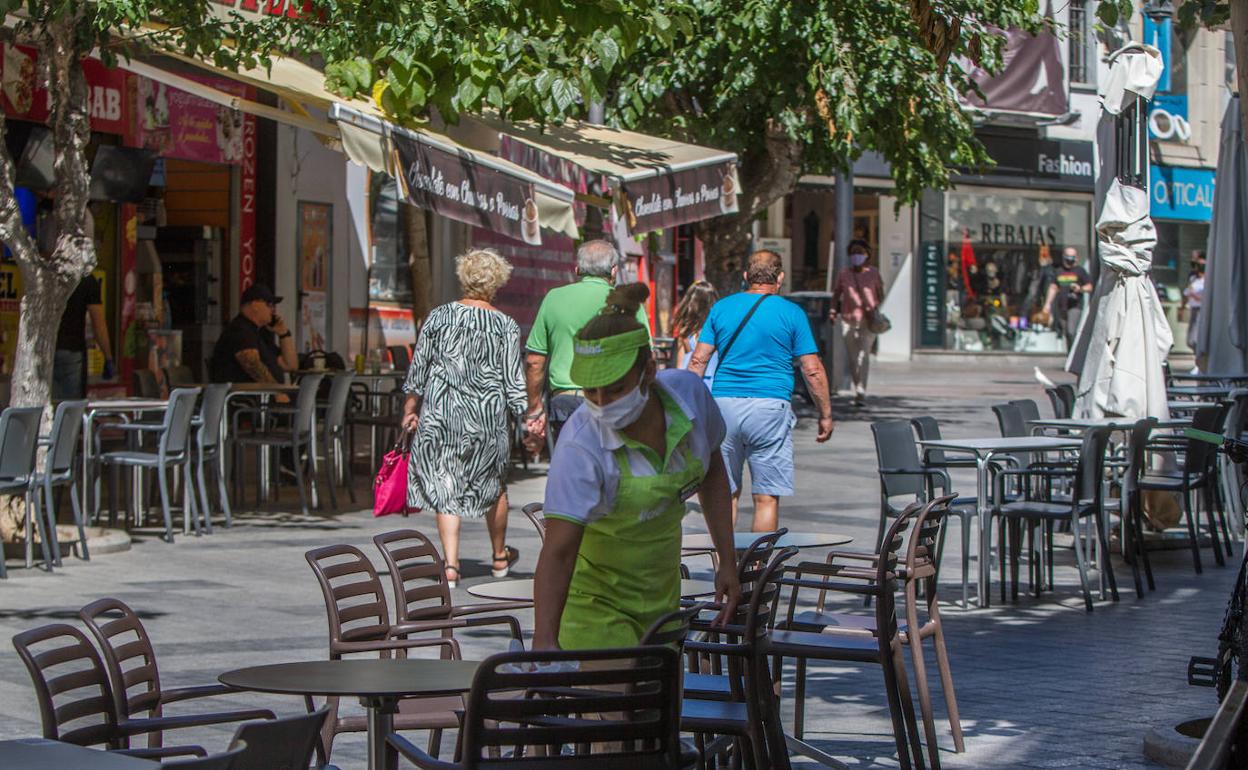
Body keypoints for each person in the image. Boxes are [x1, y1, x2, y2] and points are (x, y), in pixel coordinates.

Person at [532, 283, 740, 650]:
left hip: (664, 605)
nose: (600, 402)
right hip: (596, 610)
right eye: (590, 391)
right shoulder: (581, 444)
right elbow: (558, 550)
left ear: (649, 370)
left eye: (613, 389)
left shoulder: (690, 397)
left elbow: (713, 472)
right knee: (615, 706)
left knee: (657, 708)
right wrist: (544, 638)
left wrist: (727, 558)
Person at [400, 249, 526, 587]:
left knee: (445, 485)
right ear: (497, 282)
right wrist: (528, 420)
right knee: (495, 486)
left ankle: (451, 566)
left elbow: (419, 369)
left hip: (442, 416)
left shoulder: (438, 317)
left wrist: (410, 409)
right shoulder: (505, 325)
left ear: (463, 277)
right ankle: (500, 558)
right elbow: (514, 381)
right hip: (487, 421)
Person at [688, 250, 834, 532]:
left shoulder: (722, 308)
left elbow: (698, 359)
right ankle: (757, 571)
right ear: (780, 278)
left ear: (745, 277)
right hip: (770, 407)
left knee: (725, 493)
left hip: (724, 406)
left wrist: (691, 410)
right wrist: (825, 414)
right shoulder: (792, 313)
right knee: (765, 497)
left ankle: (725, 567)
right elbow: (812, 369)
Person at [523, 240, 649, 450]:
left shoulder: (554, 299)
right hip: (615, 401)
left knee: (569, 472)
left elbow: (534, 362)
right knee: (614, 474)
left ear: (578, 269)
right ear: (614, 271)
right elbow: (645, 357)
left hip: (565, 403)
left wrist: (535, 409)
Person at [209, 283, 298, 398]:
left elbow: (290, 365)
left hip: (262, 400)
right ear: (255, 305)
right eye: (269, 305)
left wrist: (284, 334)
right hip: (246, 403)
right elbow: (252, 363)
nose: (273, 310)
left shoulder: (258, 334)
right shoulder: (240, 330)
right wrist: (277, 392)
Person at [829, 240, 884, 407]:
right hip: (848, 319)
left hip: (868, 321)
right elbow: (836, 294)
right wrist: (833, 311)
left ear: (867, 254)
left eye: (859, 252)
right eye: (853, 253)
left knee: (863, 356)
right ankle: (858, 385)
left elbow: (881, 294)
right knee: (853, 358)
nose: (856, 256)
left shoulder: (874, 273)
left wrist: (873, 307)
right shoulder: (844, 274)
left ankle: (861, 390)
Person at [53, 274, 114, 401]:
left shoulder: (45, 273)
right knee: (70, 407)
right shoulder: (85, 279)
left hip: (45, 349)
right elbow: (98, 324)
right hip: (72, 350)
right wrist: (108, 357)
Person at [672, 280, 719, 388]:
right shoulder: (717, 330)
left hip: (689, 384)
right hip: (713, 384)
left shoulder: (686, 332)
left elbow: (679, 367)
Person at [1043, 246, 1093, 348]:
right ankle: (1070, 356)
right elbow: (1053, 288)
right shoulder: (1059, 271)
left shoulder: (1080, 271)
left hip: (1075, 305)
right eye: (1068, 257)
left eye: (1072, 257)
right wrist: (1047, 304)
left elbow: (1089, 287)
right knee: (1066, 333)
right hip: (1061, 306)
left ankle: (1074, 356)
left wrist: (1080, 288)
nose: (1070, 259)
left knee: (1071, 331)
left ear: (1076, 258)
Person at [1182, 251, 1206, 359]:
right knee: (1190, 340)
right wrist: (1182, 307)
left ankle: (1199, 360)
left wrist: (1194, 295)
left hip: (1202, 310)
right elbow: (1187, 293)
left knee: (1196, 338)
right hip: (1193, 309)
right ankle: (1198, 358)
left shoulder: (1207, 280)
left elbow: (1206, 298)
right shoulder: (1193, 278)